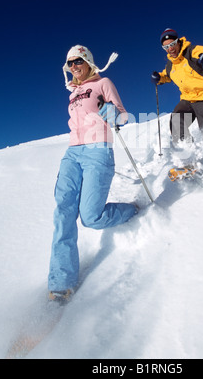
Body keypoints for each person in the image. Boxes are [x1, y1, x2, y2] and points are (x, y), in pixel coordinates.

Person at [48, 45, 137, 302]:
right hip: (72, 154)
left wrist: (114, 115)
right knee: (63, 212)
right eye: (70, 63)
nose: (74, 66)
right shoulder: (73, 93)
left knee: (90, 217)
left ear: (87, 61)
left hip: (98, 151)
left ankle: (131, 210)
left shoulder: (103, 83)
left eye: (78, 61)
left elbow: (123, 116)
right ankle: (60, 284)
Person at [151, 28, 203, 177]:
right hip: (188, 100)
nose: (170, 49)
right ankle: (189, 163)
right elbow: (167, 75)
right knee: (176, 120)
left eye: (172, 44)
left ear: (178, 41)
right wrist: (159, 77)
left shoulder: (191, 51)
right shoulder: (171, 65)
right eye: (166, 47)